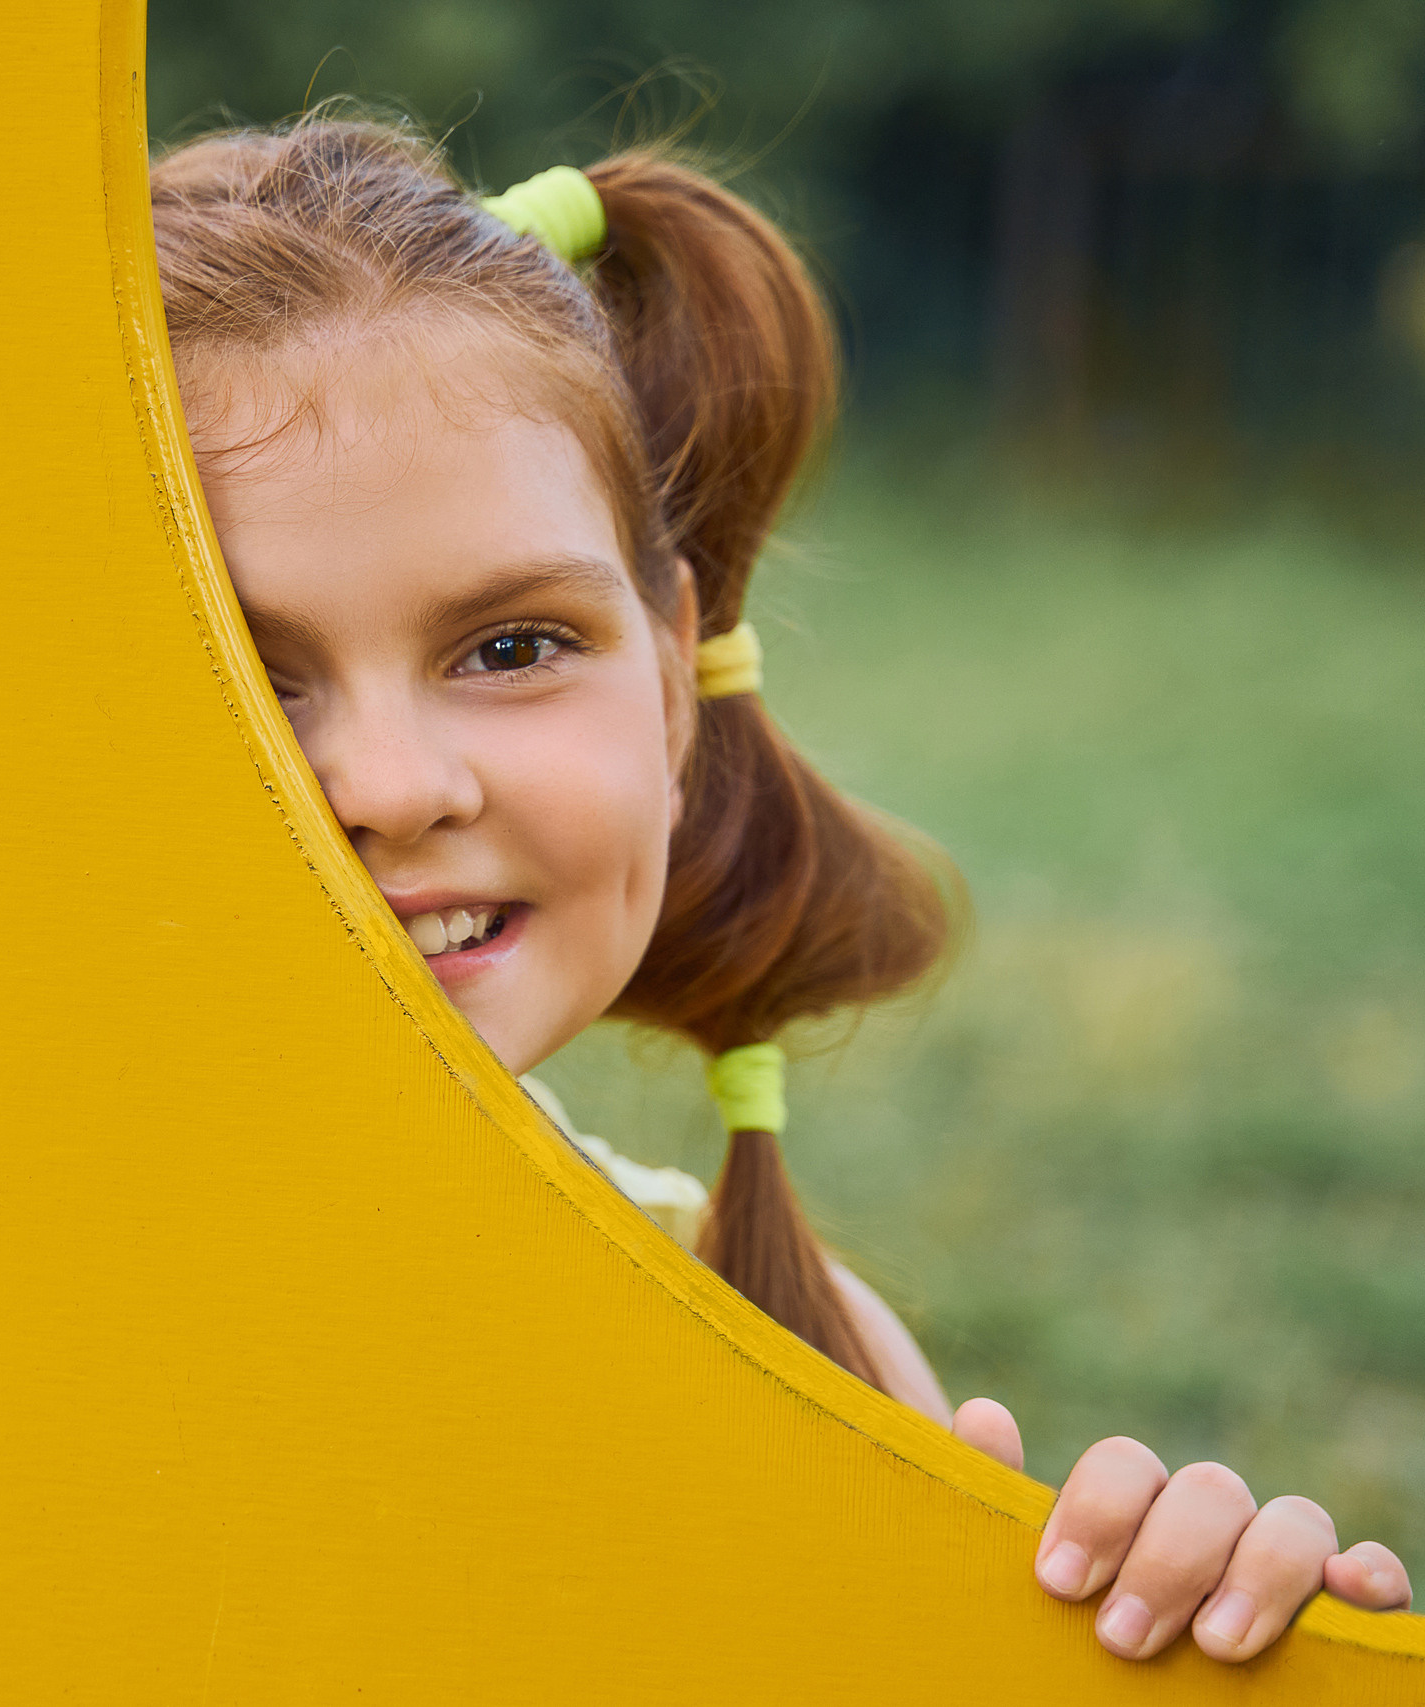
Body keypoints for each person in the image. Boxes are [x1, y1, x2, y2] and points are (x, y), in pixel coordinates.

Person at [149, 115, 1412, 1662]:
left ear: (675, 682)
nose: (399, 788)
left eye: (512, 647)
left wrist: (1148, 1666)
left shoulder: (805, 1352)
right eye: (241, 677)